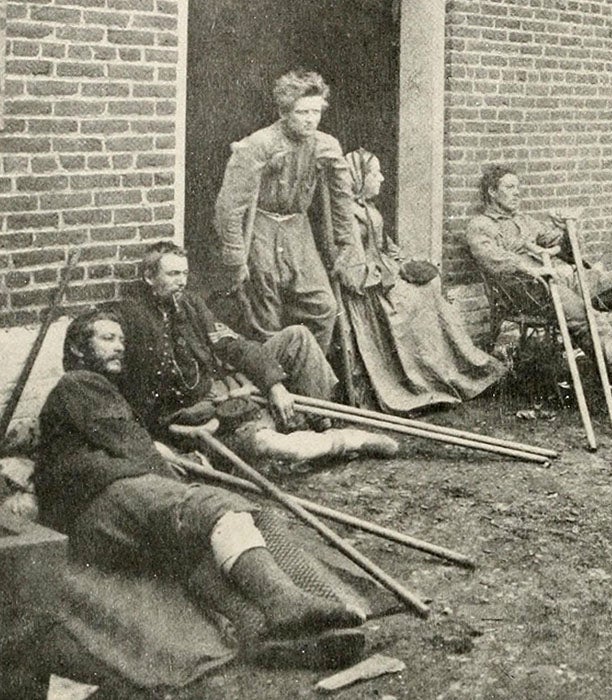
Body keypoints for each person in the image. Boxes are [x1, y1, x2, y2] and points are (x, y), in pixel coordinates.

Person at [32, 309, 366, 667]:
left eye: (122, 340)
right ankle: (285, 601)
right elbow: (132, 447)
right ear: (79, 350)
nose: (119, 347)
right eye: (108, 339)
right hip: (99, 499)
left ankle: (266, 636)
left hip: (102, 508)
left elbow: (130, 445)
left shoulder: (97, 391)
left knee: (202, 545)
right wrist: (183, 488)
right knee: (215, 507)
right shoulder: (80, 383)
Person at [116, 241, 397, 459]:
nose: (182, 281)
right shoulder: (131, 319)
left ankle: (323, 422)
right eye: (173, 274)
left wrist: (273, 384)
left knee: (297, 336)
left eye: (185, 273)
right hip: (194, 415)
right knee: (278, 446)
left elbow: (232, 345)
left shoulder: (190, 304)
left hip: (220, 390)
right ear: (150, 277)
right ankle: (341, 440)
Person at [465, 165, 612, 422]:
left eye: (518, 187)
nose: (517, 193)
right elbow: (492, 259)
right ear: (492, 192)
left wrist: (568, 231)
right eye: (510, 188)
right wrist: (534, 269)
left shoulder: (524, 220)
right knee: (594, 321)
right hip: (533, 294)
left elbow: (565, 248)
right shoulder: (480, 226)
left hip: (563, 281)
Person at [328, 148, 506, 413]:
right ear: (358, 178)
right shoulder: (347, 216)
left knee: (430, 289)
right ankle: (427, 378)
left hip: (385, 276)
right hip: (368, 289)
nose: (382, 178)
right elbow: (352, 267)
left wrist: (405, 264)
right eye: (375, 173)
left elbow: (386, 247)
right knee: (416, 301)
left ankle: (458, 369)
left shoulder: (370, 209)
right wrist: (387, 276)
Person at [214, 69, 354, 353]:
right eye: (302, 112)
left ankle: (307, 373)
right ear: (284, 112)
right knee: (266, 314)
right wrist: (235, 256)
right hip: (261, 228)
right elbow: (229, 206)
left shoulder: (326, 145)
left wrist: (346, 244)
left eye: (316, 112)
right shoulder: (258, 144)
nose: (311, 119)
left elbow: (342, 198)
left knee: (324, 308)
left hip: (297, 230)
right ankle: (275, 383)